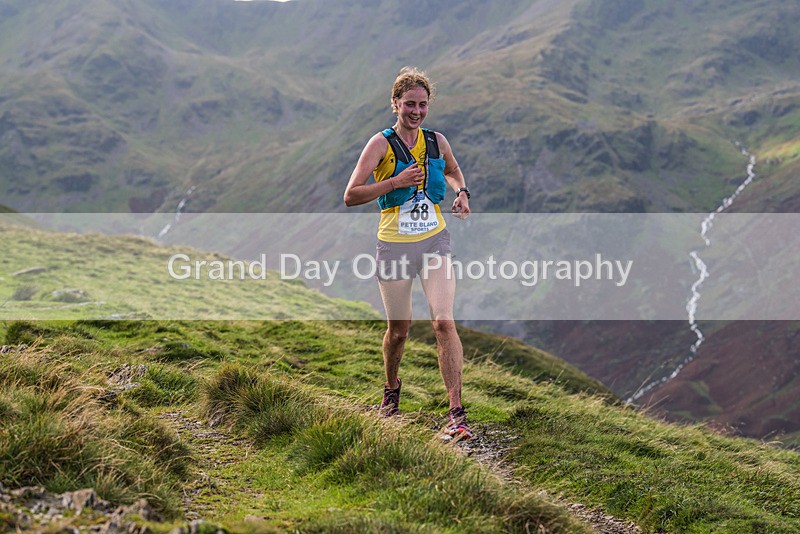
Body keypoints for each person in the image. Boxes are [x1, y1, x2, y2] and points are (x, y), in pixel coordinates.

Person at [343, 66, 473, 441]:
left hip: (434, 240)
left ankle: (456, 413)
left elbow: (453, 171)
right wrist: (396, 182)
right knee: (398, 332)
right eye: (409, 104)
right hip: (394, 245)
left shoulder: (436, 141)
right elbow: (351, 195)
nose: (416, 111)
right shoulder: (379, 145)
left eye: (422, 105)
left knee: (443, 322)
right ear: (395, 104)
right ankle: (391, 390)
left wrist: (462, 193)